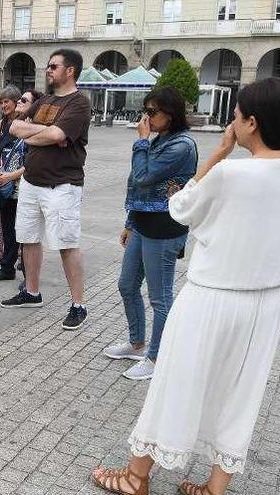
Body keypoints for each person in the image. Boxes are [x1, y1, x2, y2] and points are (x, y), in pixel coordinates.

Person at [91, 77, 280, 495]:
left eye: (236, 117)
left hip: (212, 295)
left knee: (177, 379)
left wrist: (219, 154)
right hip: (269, 300)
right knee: (243, 390)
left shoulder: (232, 173)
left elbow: (181, 207)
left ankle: (137, 477)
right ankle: (214, 487)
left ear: (252, 123)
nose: (232, 124)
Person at [105, 87, 197, 381]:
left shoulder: (181, 145)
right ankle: (136, 343)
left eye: (152, 112)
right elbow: (139, 187)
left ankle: (157, 357)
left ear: (171, 114)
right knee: (127, 285)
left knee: (160, 298)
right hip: (143, 224)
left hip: (165, 229)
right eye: (146, 111)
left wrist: (141, 142)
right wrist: (130, 222)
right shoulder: (160, 140)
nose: (146, 117)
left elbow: (144, 177)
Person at [1, 49, 91, 331]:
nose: (48, 70)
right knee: (28, 238)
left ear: (70, 71)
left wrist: (44, 134)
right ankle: (32, 291)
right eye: (48, 66)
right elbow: (16, 127)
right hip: (31, 182)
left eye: (53, 66)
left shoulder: (79, 103)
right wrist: (45, 134)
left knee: (66, 243)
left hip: (61, 185)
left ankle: (78, 304)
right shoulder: (45, 102)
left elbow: (56, 134)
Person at [0, 88, 41, 283]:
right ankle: (7, 267)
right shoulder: (3, 125)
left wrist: (10, 176)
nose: (5, 105)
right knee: (8, 227)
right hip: (6, 184)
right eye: (1, 102)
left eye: (9, 101)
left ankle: (29, 275)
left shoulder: (31, 126)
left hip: (24, 184)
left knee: (25, 230)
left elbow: (32, 161)